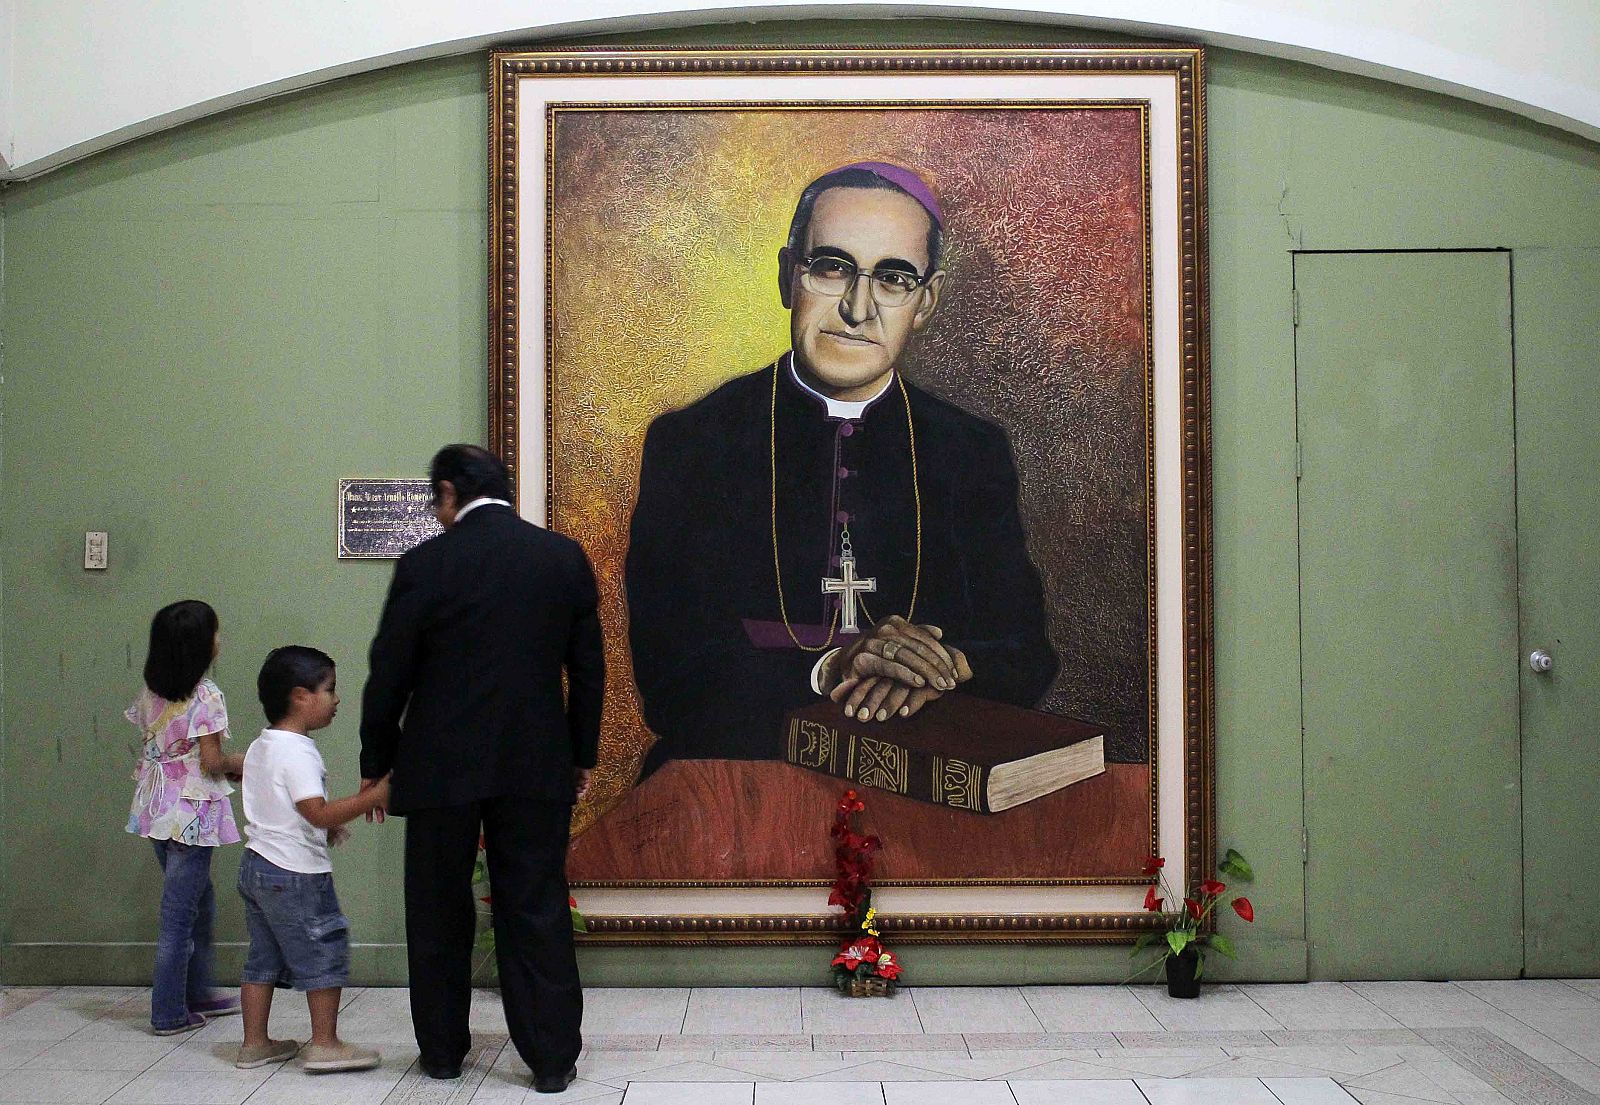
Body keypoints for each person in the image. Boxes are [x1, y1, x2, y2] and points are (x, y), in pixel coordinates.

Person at [625, 162, 1058, 776]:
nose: (859, 308)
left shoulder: (967, 449)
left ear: (926, 301)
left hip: (922, 779)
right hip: (734, 777)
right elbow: (672, 680)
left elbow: (1026, 655)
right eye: (832, 267)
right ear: (786, 276)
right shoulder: (695, 442)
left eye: (893, 278)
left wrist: (935, 668)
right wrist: (833, 669)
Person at [360, 444, 605, 1094]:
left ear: (448, 492)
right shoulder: (561, 558)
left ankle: (442, 1052)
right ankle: (551, 1058)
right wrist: (581, 753)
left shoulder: (424, 564)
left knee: (438, 907)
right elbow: (587, 669)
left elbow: (389, 672)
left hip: (438, 766)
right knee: (534, 904)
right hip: (536, 761)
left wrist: (375, 762)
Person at [235, 646, 389, 1072]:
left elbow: (286, 806)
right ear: (302, 696)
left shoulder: (263, 744)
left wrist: (325, 826)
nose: (337, 699)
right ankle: (324, 1042)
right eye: (330, 690)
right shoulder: (299, 750)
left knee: (262, 957)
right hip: (297, 873)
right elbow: (315, 810)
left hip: (257, 866)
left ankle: (254, 1043)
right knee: (324, 948)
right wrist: (371, 798)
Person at [125, 599, 245, 1035]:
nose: (220, 639)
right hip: (190, 815)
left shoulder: (149, 694)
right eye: (215, 633)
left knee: (199, 901)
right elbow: (212, 762)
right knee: (179, 916)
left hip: (155, 810)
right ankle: (169, 1011)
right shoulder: (207, 697)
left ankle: (198, 992)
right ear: (200, 648)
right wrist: (246, 762)